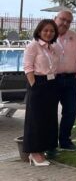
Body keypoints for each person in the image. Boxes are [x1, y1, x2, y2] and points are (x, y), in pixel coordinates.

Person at [23, 19, 60, 166]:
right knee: (35, 119)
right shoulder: (33, 46)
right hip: (38, 83)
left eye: (52, 31)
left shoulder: (53, 47)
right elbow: (28, 67)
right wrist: (34, 85)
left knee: (48, 118)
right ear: (39, 31)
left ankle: (43, 149)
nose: (49, 33)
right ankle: (34, 152)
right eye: (45, 30)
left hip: (51, 83)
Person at [53, 9, 76, 151]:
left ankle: (65, 141)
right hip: (52, 80)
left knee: (70, 111)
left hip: (71, 80)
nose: (65, 23)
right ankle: (50, 142)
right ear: (55, 18)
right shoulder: (47, 34)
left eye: (68, 21)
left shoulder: (75, 36)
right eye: (62, 19)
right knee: (50, 112)